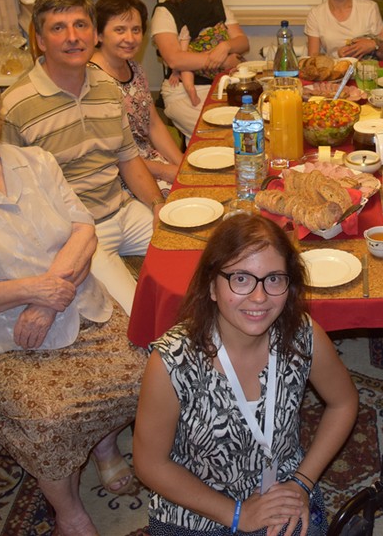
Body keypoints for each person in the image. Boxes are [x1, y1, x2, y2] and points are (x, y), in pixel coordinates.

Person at [0, 68, 147, 536]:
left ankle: (103, 445)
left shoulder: (37, 162)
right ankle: (69, 510)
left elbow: (83, 229)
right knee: (49, 415)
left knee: (148, 367)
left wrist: (48, 296)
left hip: (74, 302)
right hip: (0, 333)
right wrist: (30, 292)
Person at [133, 214, 359, 536]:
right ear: (212, 285)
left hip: (281, 491)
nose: (259, 297)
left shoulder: (304, 336)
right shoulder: (171, 362)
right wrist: (237, 514)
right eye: (241, 278)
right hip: (194, 506)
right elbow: (150, 464)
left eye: (274, 279)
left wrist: (302, 482)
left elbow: (344, 402)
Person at [3, 0, 163, 315]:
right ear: (41, 41)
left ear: (93, 33)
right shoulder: (14, 106)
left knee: (197, 261)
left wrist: (157, 206)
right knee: (140, 313)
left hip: (124, 211)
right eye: (58, 28)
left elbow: (128, 159)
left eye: (81, 25)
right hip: (78, 232)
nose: (73, 37)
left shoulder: (106, 88)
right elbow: (9, 193)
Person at [150, 0, 251, 139]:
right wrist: (223, 61)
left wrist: (225, 47)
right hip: (185, 91)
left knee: (251, 125)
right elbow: (174, 59)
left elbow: (242, 42)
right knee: (223, 136)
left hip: (223, 85)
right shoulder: (165, 12)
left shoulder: (218, 7)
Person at [90, 0, 184, 195]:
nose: (130, 38)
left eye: (136, 30)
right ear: (98, 35)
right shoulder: (92, 80)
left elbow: (153, 124)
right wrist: (166, 172)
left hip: (149, 160)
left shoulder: (135, 68)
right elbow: (109, 153)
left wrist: (183, 165)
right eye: (119, 30)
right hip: (118, 175)